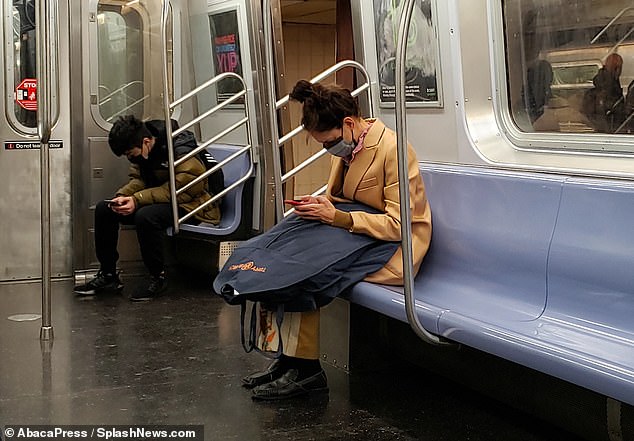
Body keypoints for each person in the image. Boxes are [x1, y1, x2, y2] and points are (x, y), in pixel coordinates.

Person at [235, 80, 432, 400]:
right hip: (357, 235)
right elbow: (337, 201)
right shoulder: (346, 148)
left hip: (394, 245)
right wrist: (317, 208)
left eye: (329, 143)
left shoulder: (393, 151)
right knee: (283, 259)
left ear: (349, 124)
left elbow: (400, 224)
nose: (328, 150)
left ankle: (307, 371)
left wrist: (337, 218)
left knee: (306, 272)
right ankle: (287, 359)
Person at [73, 115, 221, 301]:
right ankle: (108, 274)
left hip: (192, 205)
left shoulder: (182, 149)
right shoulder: (143, 151)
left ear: (146, 142)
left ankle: (157, 277)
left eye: (130, 154)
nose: (131, 159)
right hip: (163, 200)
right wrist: (123, 197)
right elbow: (139, 180)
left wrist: (137, 200)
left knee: (146, 216)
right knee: (106, 209)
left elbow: (182, 190)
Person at [581, 53, 625, 133]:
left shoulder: (611, 84)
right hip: (608, 131)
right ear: (617, 69)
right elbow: (605, 114)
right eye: (620, 67)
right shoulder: (608, 88)